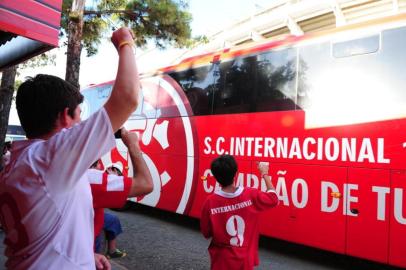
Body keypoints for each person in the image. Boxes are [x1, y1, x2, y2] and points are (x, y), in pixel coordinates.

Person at [0, 27, 141, 270]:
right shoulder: (51, 158)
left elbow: (49, 230)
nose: (80, 124)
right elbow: (128, 97)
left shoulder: (16, 162)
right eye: (78, 115)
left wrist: (85, 256)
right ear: (66, 116)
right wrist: (125, 42)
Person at [200, 155, 279, 270]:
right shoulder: (251, 195)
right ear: (236, 173)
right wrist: (264, 173)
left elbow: (206, 233)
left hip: (222, 261)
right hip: (245, 261)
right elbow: (274, 198)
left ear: (216, 177)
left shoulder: (210, 202)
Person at [88, 128, 153, 259]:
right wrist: (133, 145)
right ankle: (111, 250)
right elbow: (146, 184)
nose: (101, 168)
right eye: (97, 165)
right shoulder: (90, 180)